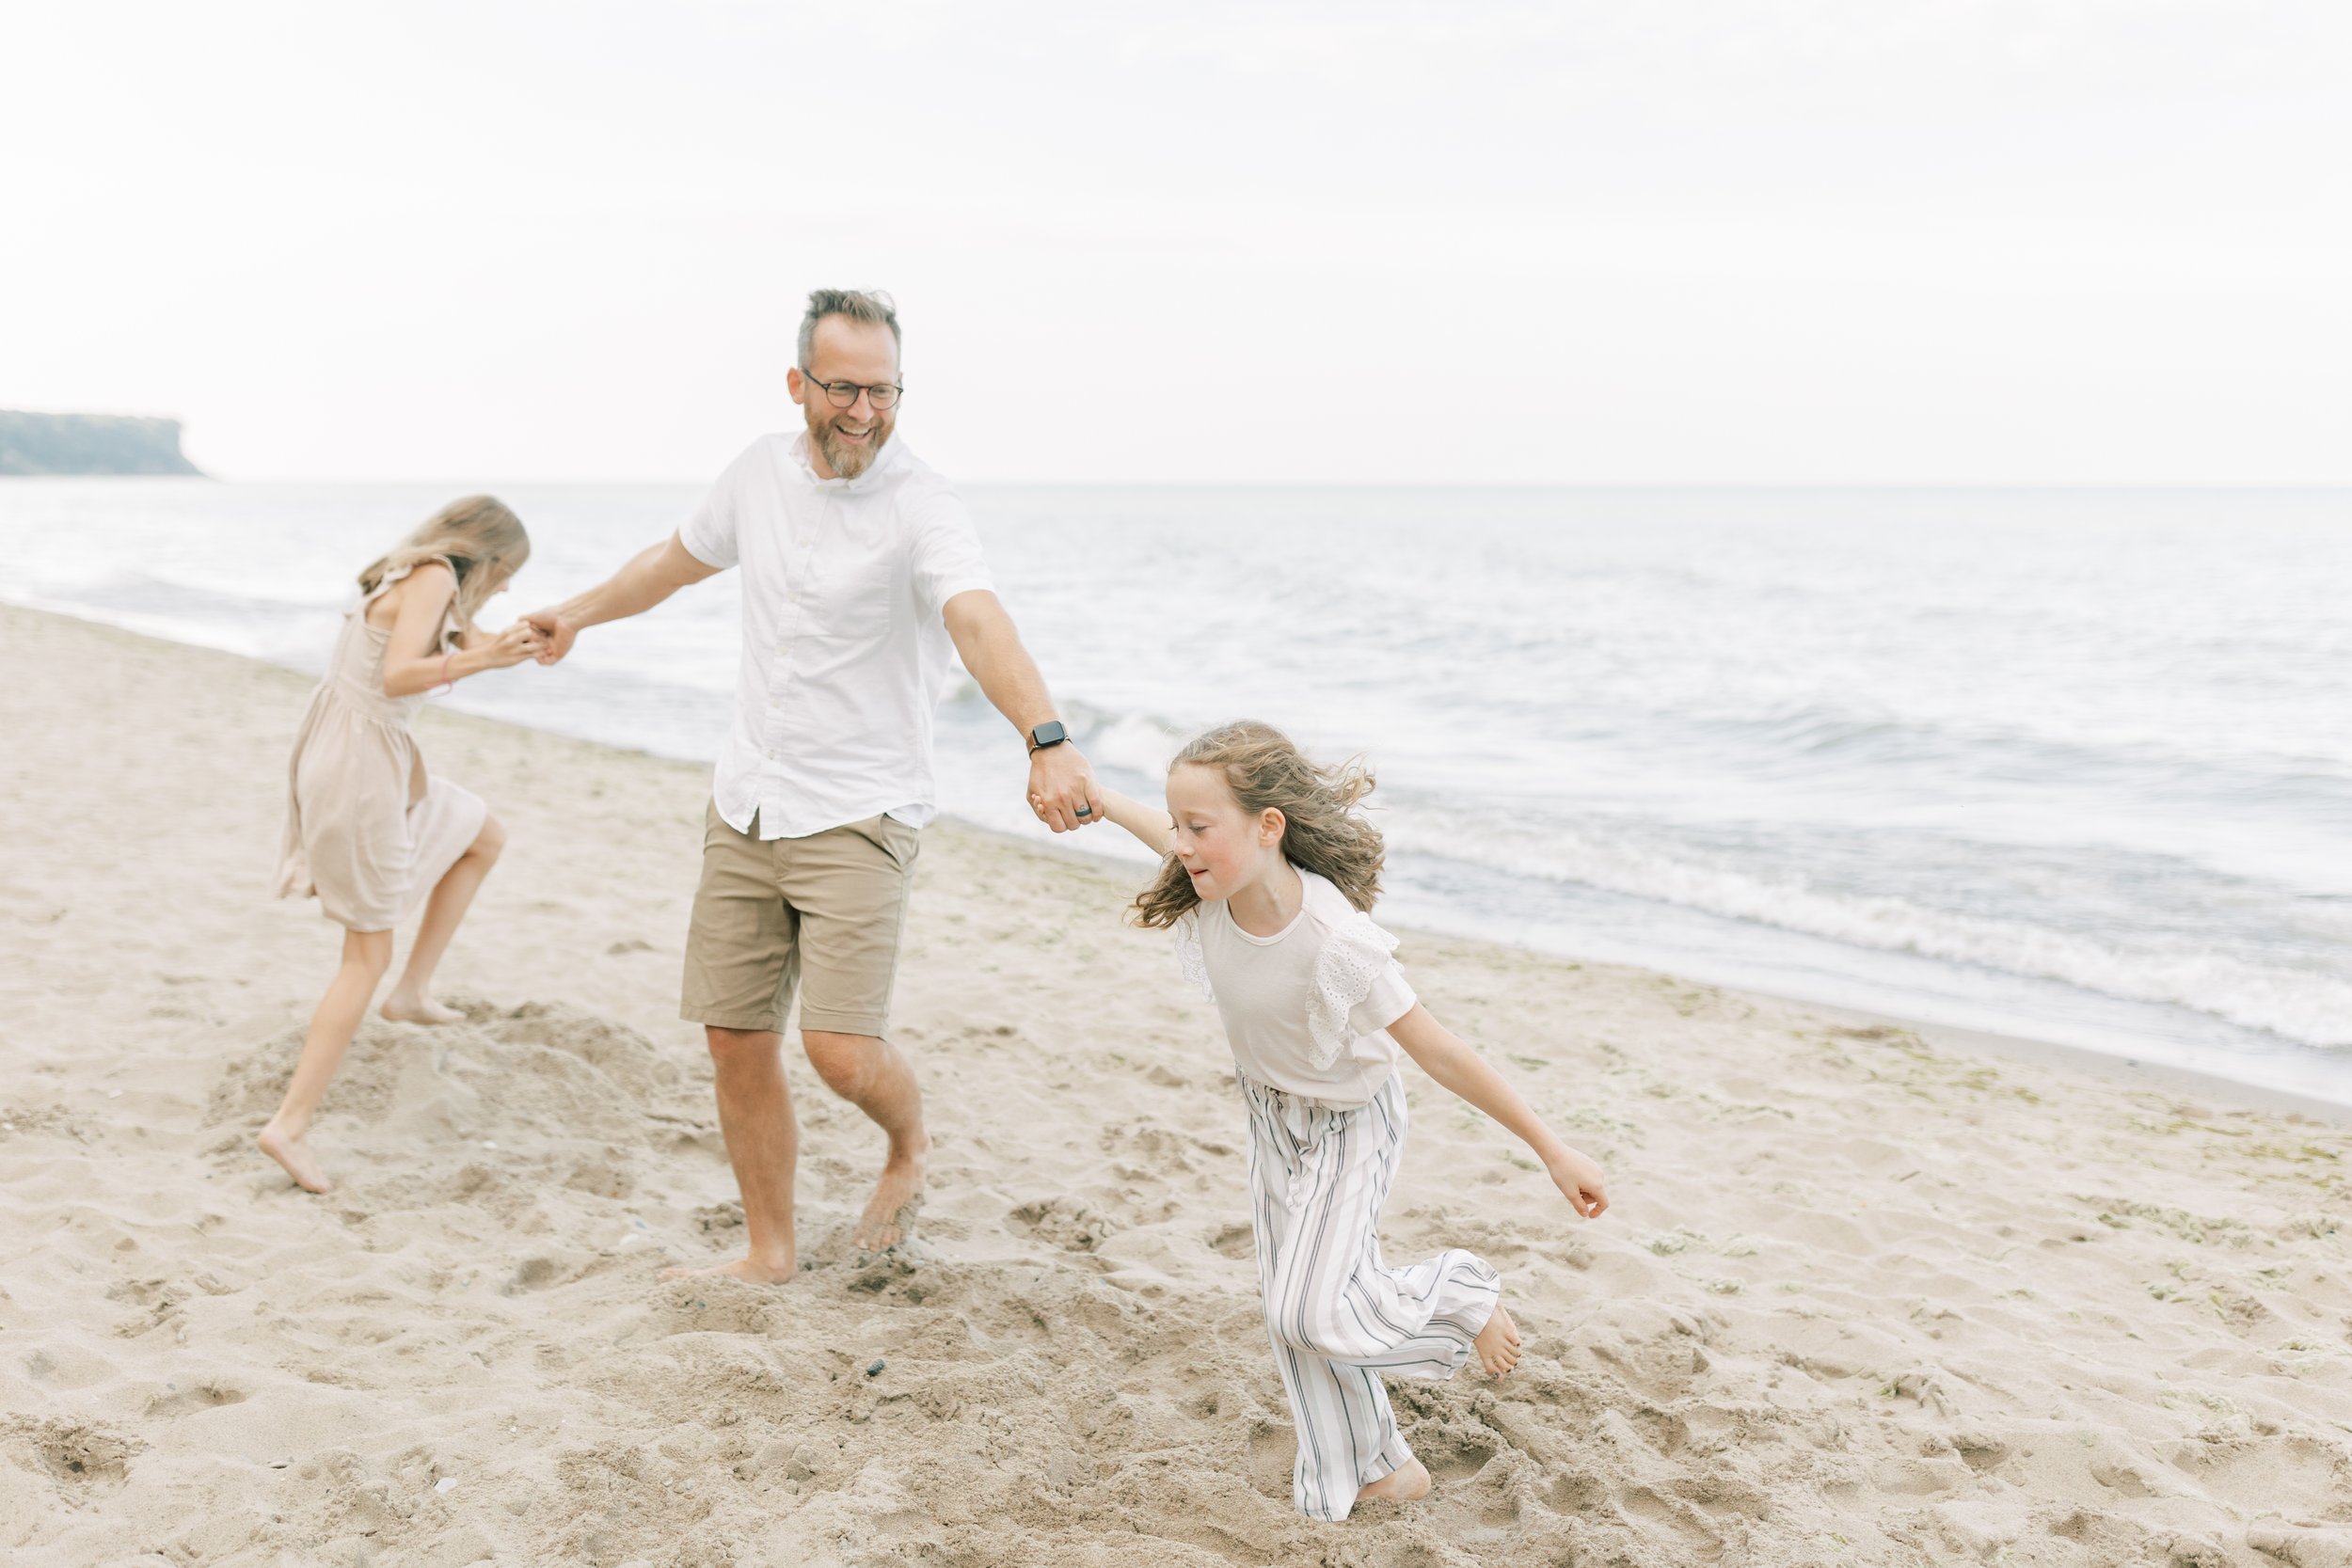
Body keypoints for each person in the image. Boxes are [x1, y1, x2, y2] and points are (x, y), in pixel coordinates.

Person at [522, 288, 1101, 1281]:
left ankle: (908, 1145)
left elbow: (975, 617)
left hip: (859, 807)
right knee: (735, 1037)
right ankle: (769, 1249)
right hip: (746, 797)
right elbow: (674, 561)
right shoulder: (756, 473)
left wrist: (1045, 738)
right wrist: (574, 614)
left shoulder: (924, 502)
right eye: (844, 389)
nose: (865, 414)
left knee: (839, 1050)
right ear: (799, 383)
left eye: (885, 392)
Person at [1091, 721, 1611, 1523]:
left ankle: (1456, 1290)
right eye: (1179, 825)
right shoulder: (1212, 883)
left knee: (1314, 1309)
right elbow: (1145, 824)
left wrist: (1552, 1147)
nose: (1182, 844)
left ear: (1269, 828)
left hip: (1349, 1125)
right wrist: (1087, 789)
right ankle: (1375, 1469)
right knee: (1289, 1319)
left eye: (1200, 827)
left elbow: (1439, 1050)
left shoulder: (1336, 940)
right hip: (1271, 1118)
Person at [264, 496, 543, 1192]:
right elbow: (398, 677)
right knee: (364, 955)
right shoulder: (436, 577)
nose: (507, 586)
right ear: (486, 556)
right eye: (508, 572)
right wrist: (484, 665)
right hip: (358, 767)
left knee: (482, 833)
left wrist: (529, 641)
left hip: (367, 755)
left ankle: (412, 991)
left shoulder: (423, 578)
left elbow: (476, 641)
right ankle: (289, 1125)